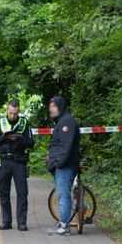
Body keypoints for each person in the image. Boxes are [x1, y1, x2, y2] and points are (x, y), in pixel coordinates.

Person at [0, 98, 34, 231]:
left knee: (22, 193)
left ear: (19, 111)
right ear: (7, 111)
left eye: (15, 113)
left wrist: (19, 139)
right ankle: (6, 221)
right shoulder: (0, 123)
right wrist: (4, 137)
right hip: (4, 161)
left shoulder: (24, 122)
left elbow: (31, 143)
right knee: (3, 192)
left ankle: (22, 222)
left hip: (19, 161)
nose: (13, 116)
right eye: (10, 113)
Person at [44, 95, 80, 236]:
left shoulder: (67, 121)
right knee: (63, 194)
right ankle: (63, 223)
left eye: (53, 107)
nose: (50, 109)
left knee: (63, 196)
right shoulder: (62, 121)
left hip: (65, 166)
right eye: (50, 107)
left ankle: (64, 226)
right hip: (61, 165)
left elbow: (66, 146)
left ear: (60, 106)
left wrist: (59, 163)